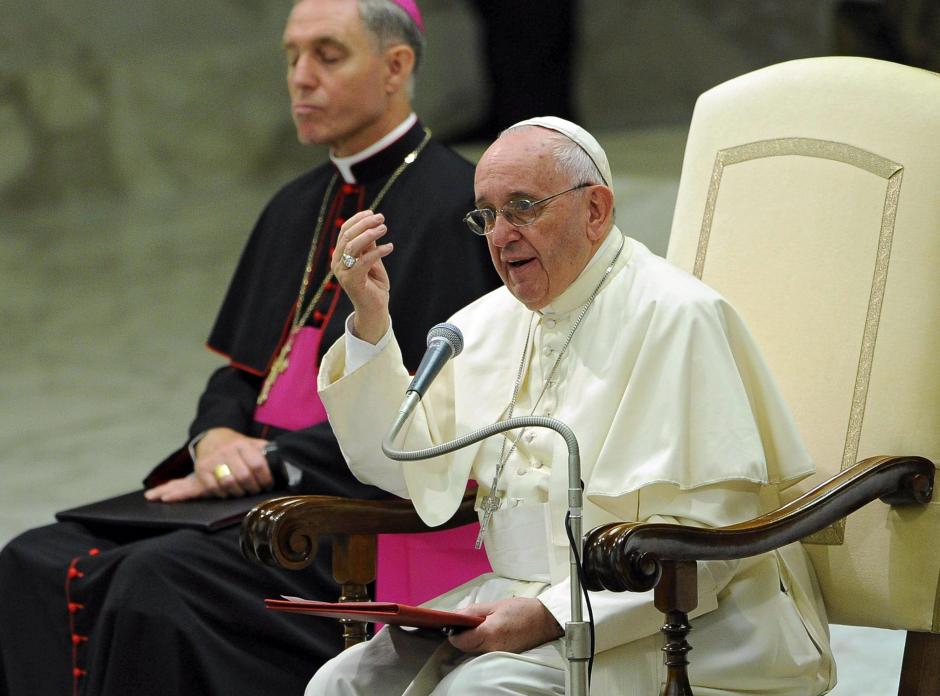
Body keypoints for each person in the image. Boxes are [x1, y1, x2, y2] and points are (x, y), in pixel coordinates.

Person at [0, 1, 499, 695]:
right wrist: (214, 438)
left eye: (327, 55)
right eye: (291, 56)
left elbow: (450, 410)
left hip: (355, 516)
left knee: (152, 582)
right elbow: (237, 374)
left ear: (396, 66)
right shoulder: (294, 206)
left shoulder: (459, 205)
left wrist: (274, 461)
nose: (301, 77)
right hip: (246, 501)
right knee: (33, 559)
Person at [307, 116, 836, 695]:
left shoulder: (679, 317)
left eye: (523, 207)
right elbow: (400, 460)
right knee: (342, 683)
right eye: (487, 215)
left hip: (682, 619)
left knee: (479, 692)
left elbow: (713, 541)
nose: (500, 235)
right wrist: (371, 322)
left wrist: (554, 614)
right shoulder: (478, 326)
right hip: (519, 597)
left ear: (595, 210)